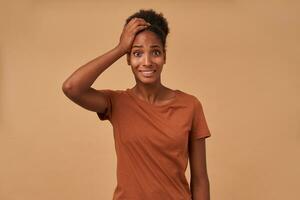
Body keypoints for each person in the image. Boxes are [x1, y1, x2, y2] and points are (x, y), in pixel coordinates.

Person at [62, 9, 211, 200]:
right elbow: (71, 87)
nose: (147, 62)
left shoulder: (190, 106)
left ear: (164, 56)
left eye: (155, 52)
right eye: (137, 53)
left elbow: (200, 178)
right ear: (128, 59)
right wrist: (119, 48)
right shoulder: (116, 103)